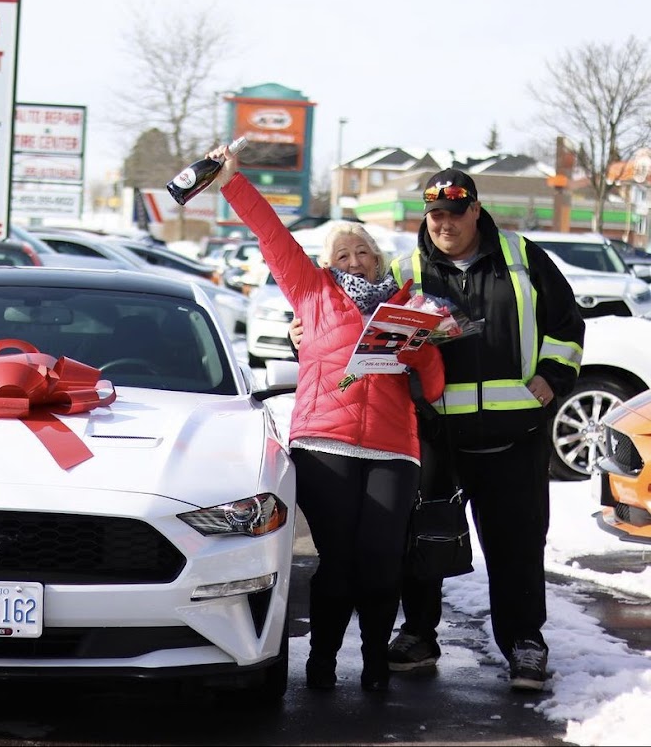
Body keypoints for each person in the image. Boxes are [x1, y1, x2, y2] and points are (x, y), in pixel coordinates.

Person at [290, 168, 585, 691]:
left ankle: (524, 644)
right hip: (433, 434)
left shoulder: (522, 257)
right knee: (419, 541)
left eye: (454, 213)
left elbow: (567, 323)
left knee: (516, 544)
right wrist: (299, 333)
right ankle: (419, 636)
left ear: (476, 210)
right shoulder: (403, 271)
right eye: (435, 215)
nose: (444, 224)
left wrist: (552, 375)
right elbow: (347, 327)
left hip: (512, 434)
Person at [209, 143, 445, 693]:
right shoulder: (312, 293)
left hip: (394, 449)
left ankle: (376, 664)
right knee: (338, 562)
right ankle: (321, 661)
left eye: (363, 252)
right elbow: (273, 236)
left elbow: (432, 387)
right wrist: (232, 183)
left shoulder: (410, 306)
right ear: (326, 263)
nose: (354, 260)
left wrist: (421, 347)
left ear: (380, 260)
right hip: (325, 445)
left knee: (382, 562)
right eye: (343, 254)